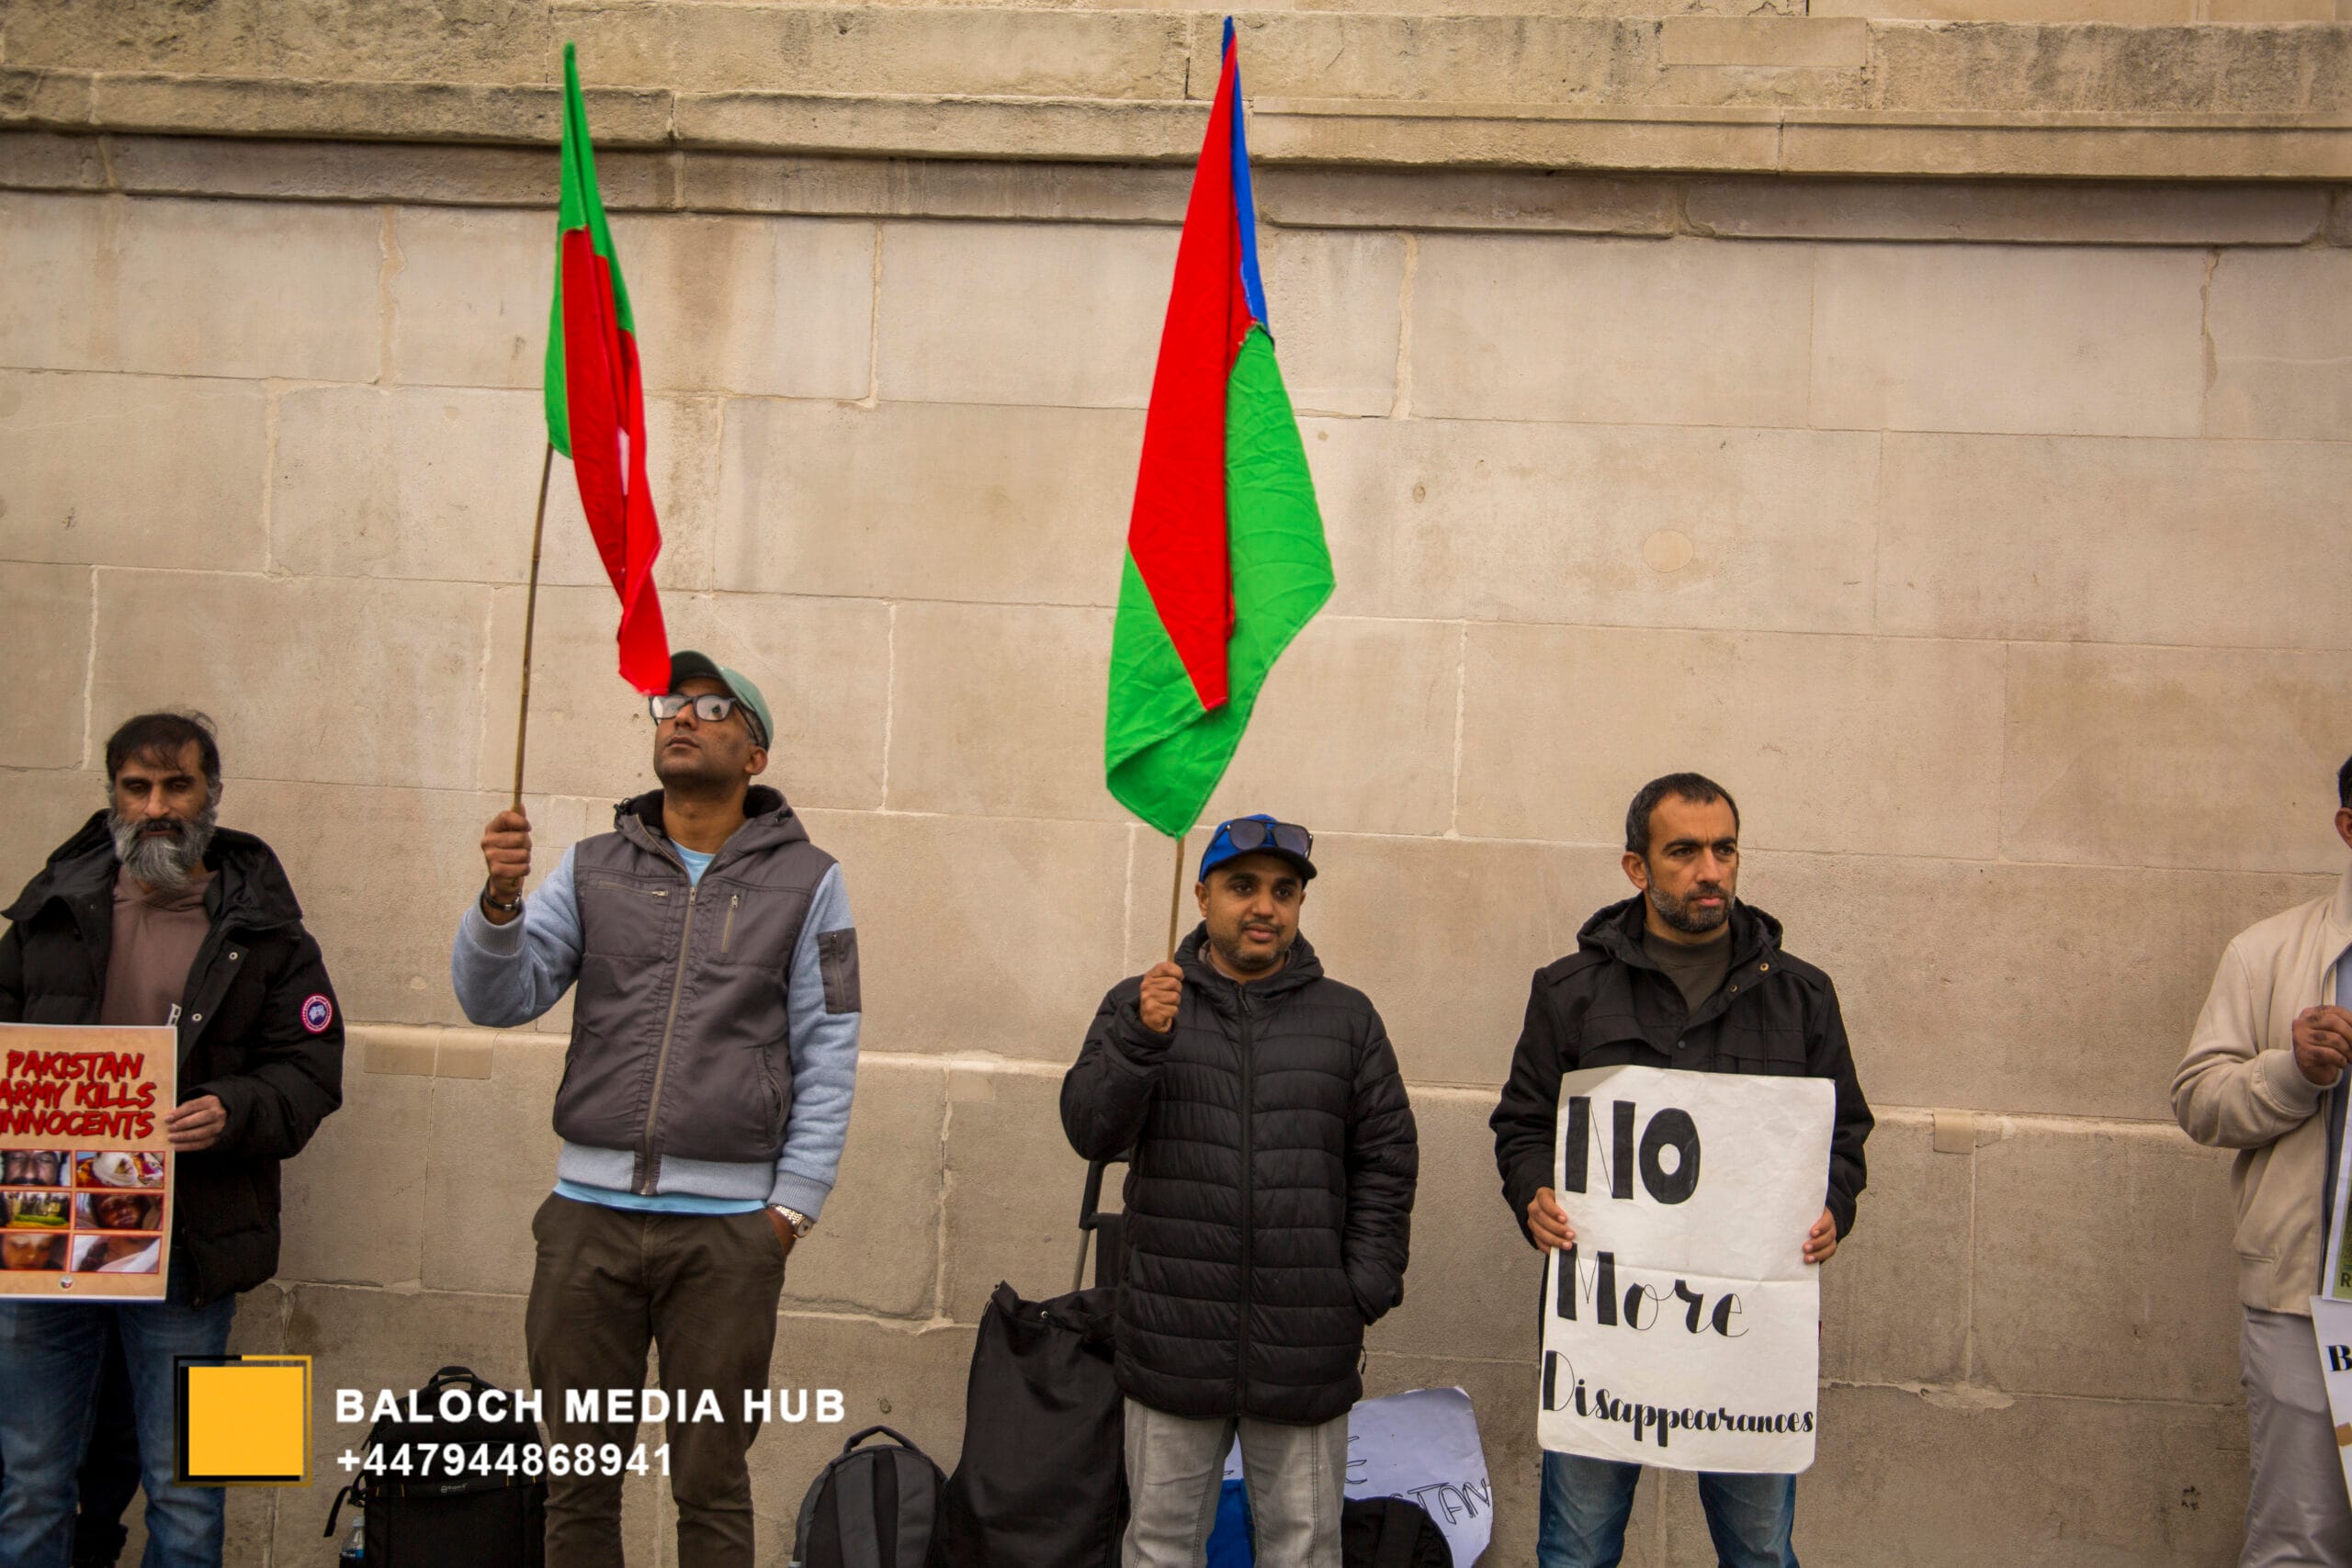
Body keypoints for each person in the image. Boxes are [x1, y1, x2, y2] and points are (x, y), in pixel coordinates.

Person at [451, 651, 860, 1568]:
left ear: (754, 754)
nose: (681, 715)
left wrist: (789, 1211)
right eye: (671, 702)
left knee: (710, 1485)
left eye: (712, 708)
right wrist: (498, 905)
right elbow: (498, 998)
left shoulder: (811, 881)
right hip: (586, 1223)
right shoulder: (591, 867)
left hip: (728, 1237)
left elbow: (830, 1046)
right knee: (577, 1486)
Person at [1489, 772, 1872, 1568]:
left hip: (1748, 1340)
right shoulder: (1570, 992)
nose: (1710, 870)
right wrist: (1533, 1194)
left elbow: (1843, 1133)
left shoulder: (1802, 996)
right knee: (1577, 1549)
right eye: (1685, 851)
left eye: (1725, 849)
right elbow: (1524, 1123)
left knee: (1759, 1549)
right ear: (1637, 867)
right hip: (1605, 1336)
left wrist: (1835, 1205)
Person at [0, 710, 345, 1568]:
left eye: (176, 785)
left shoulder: (270, 931)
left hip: (195, 1246)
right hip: (46, 1237)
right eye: (137, 787)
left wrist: (234, 1107)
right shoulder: (47, 910)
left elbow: (311, 1070)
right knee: (31, 1480)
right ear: (113, 795)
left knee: (192, 1488)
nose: (157, 806)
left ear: (211, 795)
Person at [1061, 815, 1418, 1568]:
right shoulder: (1143, 1002)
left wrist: (1359, 1288)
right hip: (1172, 1336)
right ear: (1201, 896)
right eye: (1243, 886)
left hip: (1305, 1342)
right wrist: (1139, 1039)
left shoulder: (1347, 1018)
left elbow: (1386, 1161)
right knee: (1159, 1546)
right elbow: (1090, 1129)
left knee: (1305, 1548)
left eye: (1284, 891)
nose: (1264, 906)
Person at [2172, 753, 2352, 1567]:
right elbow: (2198, 1099)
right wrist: (2293, 1070)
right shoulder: (2269, 951)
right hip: (2308, 1306)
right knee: (2300, 1541)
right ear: (2348, 827)